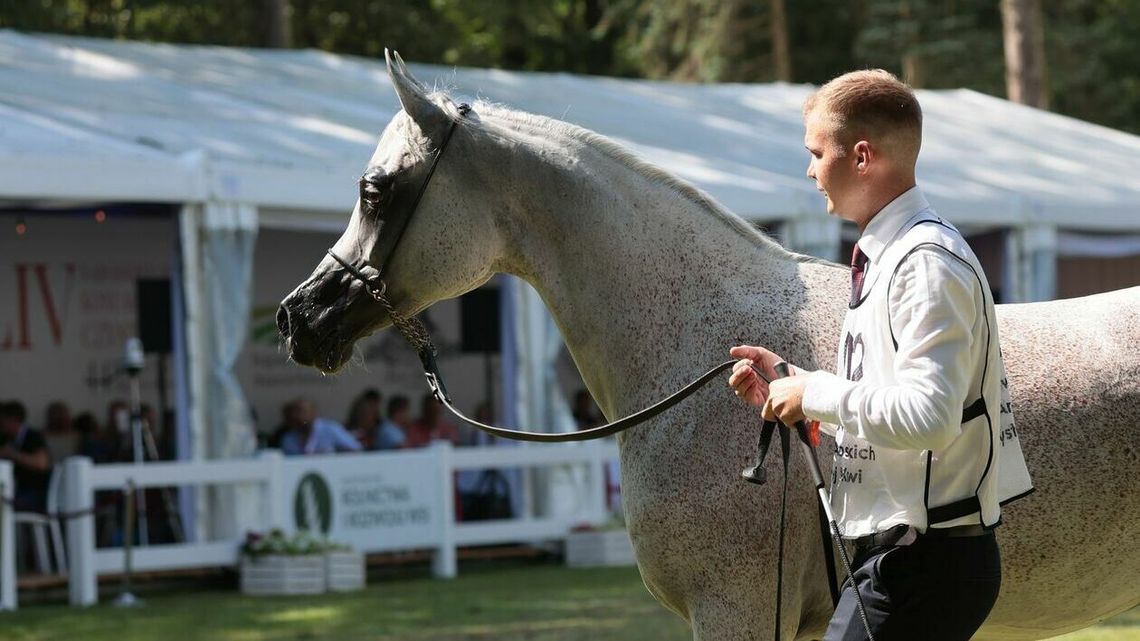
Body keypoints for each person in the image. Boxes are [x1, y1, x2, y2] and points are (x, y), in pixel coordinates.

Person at [729, 70, 1029, 641]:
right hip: (905, 561)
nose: (811, 171)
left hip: (924, 565)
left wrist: (815, 394)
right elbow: (887, 399)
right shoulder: (893, 252)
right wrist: (796, 387)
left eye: (817, 152)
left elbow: (930, 417)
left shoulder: (924, 260)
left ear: (861, 155)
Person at [0, 401, 52, 512]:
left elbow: (41, 463)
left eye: (2, 419)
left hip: (36, 492)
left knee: (6, 505)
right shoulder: (5, 438)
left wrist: (12, 454)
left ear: (13, 419)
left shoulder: (32, 436)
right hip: (15, 489)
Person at [278, 398, 362, 456]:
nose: (298, 416)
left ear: (313, 412)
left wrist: (334, 457)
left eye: (302, 411)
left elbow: (356, 448)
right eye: (295, 412)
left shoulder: (330, 429)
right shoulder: (288, 439)